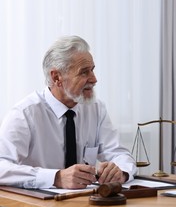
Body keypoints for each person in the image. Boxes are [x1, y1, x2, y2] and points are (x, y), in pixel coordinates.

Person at [0, 35, 137, 189]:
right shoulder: (25, 114)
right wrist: (56, 177)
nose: (94, 79)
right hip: (37, 205)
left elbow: (120, 154)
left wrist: (121, 171)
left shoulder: (96, 108)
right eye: (84, 72)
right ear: (57, 77)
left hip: (84, 202)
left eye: (92, 70)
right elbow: (2, 167)